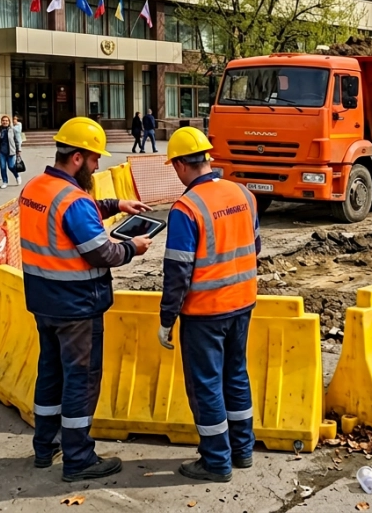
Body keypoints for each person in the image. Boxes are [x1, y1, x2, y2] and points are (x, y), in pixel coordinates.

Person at [20, 117, 153, 482]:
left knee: (50, 373)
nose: (98, 166)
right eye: (95, 159)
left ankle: (45, 448)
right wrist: (132, 248)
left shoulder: (36, 187)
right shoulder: (73, 199)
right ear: (77, 158)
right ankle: (79, 458)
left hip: (43, 301)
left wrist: (115, 204)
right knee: (81, 379)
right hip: (77, 305)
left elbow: (74, 215)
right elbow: (101, 252)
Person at [158, 127, 261, 483]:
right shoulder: (243, 194)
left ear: (182, 165)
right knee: (236, 376)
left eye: (175, 166)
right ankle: (242, 450)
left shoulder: (186, 208)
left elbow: (177, 272)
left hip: (205, 312)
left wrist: (166, 318)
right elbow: (255, 246)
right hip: (243, 304)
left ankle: (216, 461)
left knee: (206, 386)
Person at [0, 115, 22, 188]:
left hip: (11, 151)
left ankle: (17, 176)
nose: (5, 122)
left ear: (9, 122)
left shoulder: (13, 130)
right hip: (2, 152)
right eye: (3, 120)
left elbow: (17, 141)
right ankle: (5, 181)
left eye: (6, 120)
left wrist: (19, 150)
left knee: (11, 166)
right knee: (3, 167)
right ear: (1, 122)